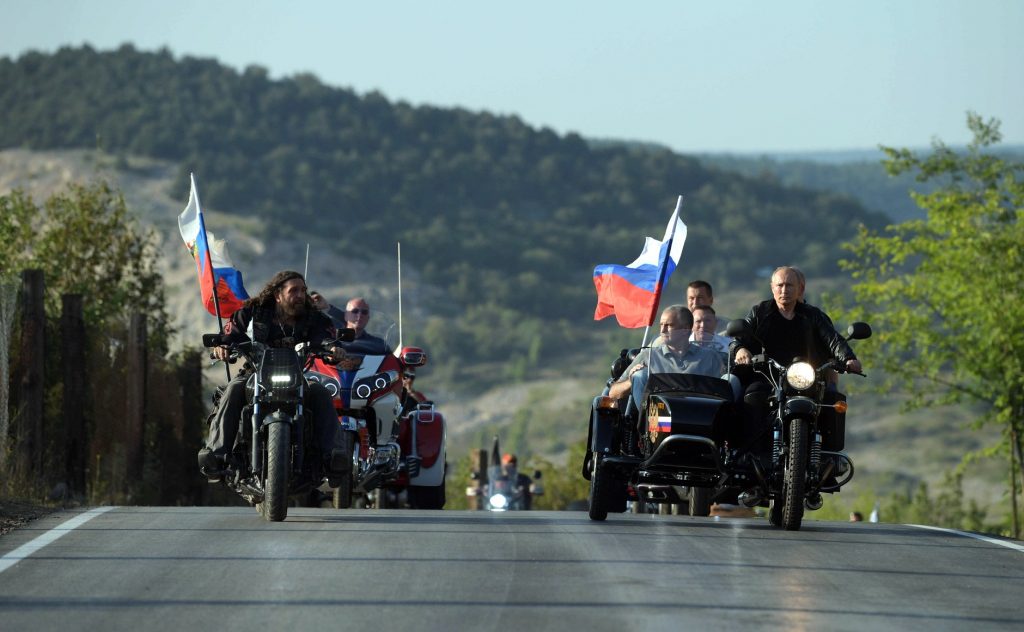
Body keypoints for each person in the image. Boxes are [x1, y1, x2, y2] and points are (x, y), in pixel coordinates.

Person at [197, 270, 349, 482]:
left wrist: (333, 349)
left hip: (297, 376)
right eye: (293, 290)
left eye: (303, 290)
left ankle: (333, 456)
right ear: (278, 294)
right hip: (256, 375)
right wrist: (222, 346)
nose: (300, 295)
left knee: (320, 392)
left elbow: (325, 337)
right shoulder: (253, 312)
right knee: (234, 388)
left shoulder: (313, 318)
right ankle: (217, 452)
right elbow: (231, 334)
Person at [729, 266, 862, 453]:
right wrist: (741, 349)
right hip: (768, 377)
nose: (784, 290)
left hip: (806, 379)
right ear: (772, 288)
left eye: (790, 285)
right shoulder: (760, 312)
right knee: (752, 395)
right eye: (780, 285)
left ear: (800, 288)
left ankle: (825, 456)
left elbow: (832, 339)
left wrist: (848, 358)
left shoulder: (813, 315)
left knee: (831, 401)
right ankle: (747, 452)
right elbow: (738, 339)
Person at [608, 304, 725, 406]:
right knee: (639, 375)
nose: (662, 330)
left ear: (685, 330)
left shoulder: (709, 357)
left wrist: (739, 349)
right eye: (661, 325)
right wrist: (632, 380)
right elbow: (613, 392)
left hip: (700, 420)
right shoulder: (648, 356)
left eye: (668, 325)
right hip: (657, 423)